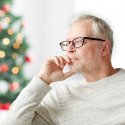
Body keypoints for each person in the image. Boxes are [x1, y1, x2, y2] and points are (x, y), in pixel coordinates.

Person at [1, 14, 125, 125]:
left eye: (78, 41)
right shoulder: (61, 97)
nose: (69, 49)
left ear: (104, 48)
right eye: (67, 43)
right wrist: (42, 79)